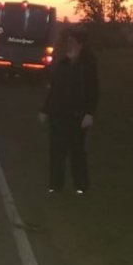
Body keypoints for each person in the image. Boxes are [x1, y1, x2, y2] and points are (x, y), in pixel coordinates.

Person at [38, 29, 99, 194]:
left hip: (77, 116)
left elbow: (93, 90)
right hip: (58, 115)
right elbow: (55, 88)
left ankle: (81, 185)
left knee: (77, 151)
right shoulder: (63, 64)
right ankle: (55, 185)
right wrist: (45, 109)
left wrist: (89, 113)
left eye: (72, 42)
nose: (69, 45)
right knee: (56, 151)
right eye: (68, 42)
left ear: (80, 45)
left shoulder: (88, 65)